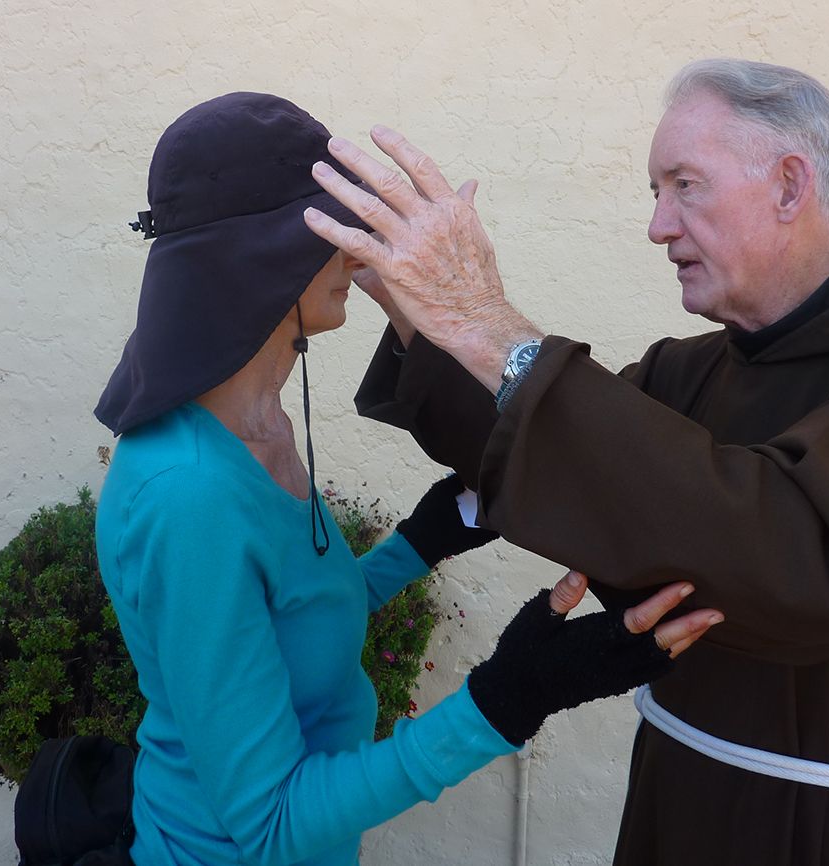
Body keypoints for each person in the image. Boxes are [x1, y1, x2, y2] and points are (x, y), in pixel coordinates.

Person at [303, 59, 829, 865]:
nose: (658, 226)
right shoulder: (691, 368)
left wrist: (487, 321)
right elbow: (560, 462)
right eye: (655, 192)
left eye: (684, 185)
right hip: (675, 800)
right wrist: (419, 314)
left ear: (789, 187)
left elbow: (788, 561)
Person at [91, 92, 723, 866]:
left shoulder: (259, 428)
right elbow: (272, 824)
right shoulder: (189, 493)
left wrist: (420, 544)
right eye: (339, 227)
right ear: (263, 259)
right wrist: (506, 699)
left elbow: (298, 623)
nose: (362, 253)